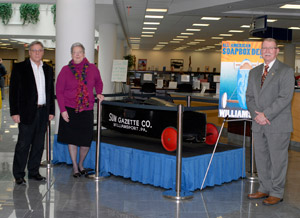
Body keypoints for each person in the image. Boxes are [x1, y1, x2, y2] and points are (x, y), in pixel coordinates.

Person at [246, 38, 295, 205]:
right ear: (261, 50)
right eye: (264, 48)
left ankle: (276, 192)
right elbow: (249, 97)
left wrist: (265, 114)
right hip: (258, 124)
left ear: (277, 50)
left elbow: (285, 98)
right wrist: (256, 115)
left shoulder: (286, 71)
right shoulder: (253, 72)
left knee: (277, 160)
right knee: (260, 158)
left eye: (270, 48)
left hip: (277, 124)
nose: (267, 50)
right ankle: (264, 188)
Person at [9, 41, 55, 185]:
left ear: (43, 52)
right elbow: (13, 91)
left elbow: (50, 91)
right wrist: (15, 112)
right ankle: (19, 174)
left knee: (39, 144)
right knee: (23, 144)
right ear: (29, 52)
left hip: (43, 112)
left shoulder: (48, 69)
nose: (37, 53)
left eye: (39, 50)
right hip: (26, 112)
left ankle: (34, 172)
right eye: (34, 50)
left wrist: (51, 110)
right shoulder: (19, 68)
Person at [56, 42, 104, 178]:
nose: (77, 55)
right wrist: (63, 110)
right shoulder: (65, 70)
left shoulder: (93, 69)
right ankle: (75, 167)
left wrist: (99, 92)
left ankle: (81, 163)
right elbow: (59, 92)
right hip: (70, 109)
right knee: (72, 140)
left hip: (86, 109)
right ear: (71, 54)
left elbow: (99, 82)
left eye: (79, 52)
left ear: (84, 54)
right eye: (74, 52)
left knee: (85, 140)